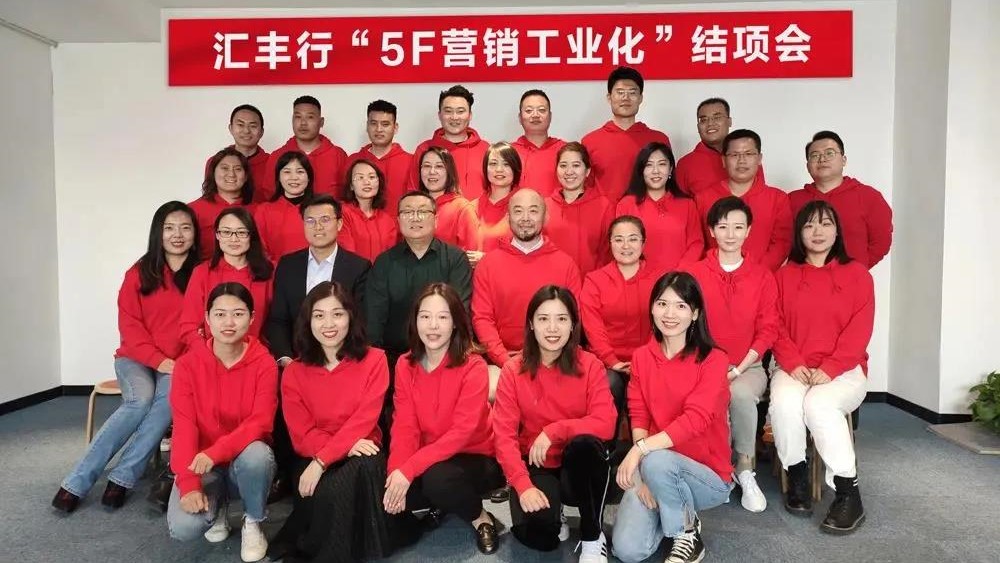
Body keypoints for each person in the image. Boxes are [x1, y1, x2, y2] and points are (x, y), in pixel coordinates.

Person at [52, 202, 200, 513]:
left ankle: (122, 478)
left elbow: (204, 325)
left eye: (185, 228)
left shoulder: (202, 274)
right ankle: (76, 482)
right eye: (169, 228)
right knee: (140, 400)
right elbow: (130, 328)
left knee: (168, 401)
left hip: (180, 362)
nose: (177, 235)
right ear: (158, 233)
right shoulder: (138, 273)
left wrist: (181, 362)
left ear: (195, 233)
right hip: (136, 358)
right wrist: (159, 361)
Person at [267, 281, 399, 562]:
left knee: (358, 471)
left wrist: (322, 462)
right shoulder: (294, 372)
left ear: (351, 317)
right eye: (319, 315)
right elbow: (301, 435)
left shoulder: (375, 360)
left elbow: (365, 420)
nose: (328, 324)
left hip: (362, 449)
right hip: (314, 451)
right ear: (308, 321)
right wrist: (335, 451)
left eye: (337, 314)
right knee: (329, 488)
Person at [612, 272, 732, 563]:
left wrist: (640, 453)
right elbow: (639, 414)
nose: (669, 314)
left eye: (680, 306)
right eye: (662, 304)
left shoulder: (714, 360)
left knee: (658, 461)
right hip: (655, 463)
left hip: (706, 476)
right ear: (652, 308)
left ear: (695, 314)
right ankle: (674, 511)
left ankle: (687, 533)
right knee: (627, 551)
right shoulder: (642, 357)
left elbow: (695, 419)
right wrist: (644, 477)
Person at [770, 200, 873, 534]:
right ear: (799, 233)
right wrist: (793, 362)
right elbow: (774, 325)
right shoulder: (784, 275)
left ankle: (848, 493)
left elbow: (859, 331)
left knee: (819, 404)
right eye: (809, 225)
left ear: (837, 231)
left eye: (826, 224)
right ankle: (797, 476)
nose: (817, 232)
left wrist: (831, 367)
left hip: (844, 370)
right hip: (795, 366)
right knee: (785, 403)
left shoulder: (857, 275)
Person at [492, 285, 616, 562]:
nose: (552, 328)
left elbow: (606, 423)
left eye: (561, 319)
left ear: (573, 325)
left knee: (585, 445)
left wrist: (554, 431)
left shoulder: (590, 365)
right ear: (531, 324)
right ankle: (554, 511)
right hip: (539, 463)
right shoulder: (513, 370)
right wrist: (522, 485)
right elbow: (504, 437)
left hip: (580, 464)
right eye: (543, 319)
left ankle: (592, 535)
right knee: (539, 537)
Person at [384, 283, 505, 555]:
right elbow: (404, 426)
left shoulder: (473, 366)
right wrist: (397, 472)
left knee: (437, 481)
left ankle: (481, 518)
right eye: (425, 316)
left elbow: (461, 434)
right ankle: (444, 502)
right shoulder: (405, 364)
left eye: (442, 317)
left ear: (455, 323)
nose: (433, 326)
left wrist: (410, 469)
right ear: (415, 321)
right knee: (394, 486)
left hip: (476, 456)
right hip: (430, 455)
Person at [166, 282, 278, 563]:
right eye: (220, 314)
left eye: (238, 314)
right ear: (207, 318)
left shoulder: (264, 363)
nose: (229, 322)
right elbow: (184, 427)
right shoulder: (187, 366)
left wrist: (216, 452)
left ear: (252, 318)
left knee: (258, 455)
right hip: (203, 464)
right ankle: (219, 509)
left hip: (242, 462)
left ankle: (253, 520)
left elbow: (260, 422)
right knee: (184, 527)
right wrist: (189, 484)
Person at [685, 196, 779, 513]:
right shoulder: (694, 273)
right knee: (708, 397)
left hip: (748, 366)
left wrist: (738, 369)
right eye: (723, 227)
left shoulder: (762, 276)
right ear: (712, 230)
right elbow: (685, 323)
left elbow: (768, 330)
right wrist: (710, 367)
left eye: (738, 227)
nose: (730, 234)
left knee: (738, 394)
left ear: (748, 231)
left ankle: (745, 469)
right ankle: (717, 469)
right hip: (702, 365)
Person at [472, 189, 583, 399]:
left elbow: (574, 319)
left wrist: (549, 360)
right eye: (518, 211)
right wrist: (504, 360)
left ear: (545, 216)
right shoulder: (488, 265)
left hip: (554, 358)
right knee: (490, 389)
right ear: (508, 217)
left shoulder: (566, 264)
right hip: (503, 360)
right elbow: (482, 319)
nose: (525, 218)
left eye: (533, 211)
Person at [366, 191, 473, 367]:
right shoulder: (384, 262)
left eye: (422, 211)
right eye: (408, 212)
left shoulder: (455, 259)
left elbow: (460, 313)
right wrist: (376, 363)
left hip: (445, 359)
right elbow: (374, 320)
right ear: (398, 221)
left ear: (436, 220)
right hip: (394, 360)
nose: (415, 218)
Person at [267, 194, 370, 369]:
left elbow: (360, 321)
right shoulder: (288, 265)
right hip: (296, 362)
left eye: (325, 220)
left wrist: (342, 363)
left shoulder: (359, 267)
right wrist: (286, 359)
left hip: (343, 362)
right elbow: (278, 319)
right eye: (310, 221)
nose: (318, 227)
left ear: (339, 224)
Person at [579, 216, 657, 422]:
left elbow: (662, 327)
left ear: (643, 243)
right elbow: (593, 328)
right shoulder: (595, 280)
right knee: (609, 384)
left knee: (651, 389)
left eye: (633, 239)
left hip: (650, 360)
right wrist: (612, 361)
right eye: (619, 239)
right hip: (607, 363)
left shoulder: (659, 280)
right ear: (610, 243)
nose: (626, 246)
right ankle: (606, 440)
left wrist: (643, 361)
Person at [789, 130, 893, 269]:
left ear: (843, 160)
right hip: (802, 279)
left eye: (829, 153)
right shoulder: (792, 200)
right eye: (815, 155)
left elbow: (881, 242)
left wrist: (857, 270)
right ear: (808, 166)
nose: (822, 159)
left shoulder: (869, 196)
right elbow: (784, 242)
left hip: (852, 279)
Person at [694, 129, 792, 272]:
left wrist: (756, 273)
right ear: (723, 160)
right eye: (734, 155)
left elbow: (781, 244)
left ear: (759, 159)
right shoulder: (703, 198)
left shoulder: (778, 199)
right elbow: (698, 243)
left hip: (761, 278)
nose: (741, 161)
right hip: (713, 277)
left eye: (748, 154)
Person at [180, 208, 273, 349]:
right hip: (211, 353)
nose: (234, 239)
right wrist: (204, 352)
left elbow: (279, 321)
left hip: (257, 354)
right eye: (226, 232)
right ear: (217, 235)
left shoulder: (271, 271)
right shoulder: (202, 272)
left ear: (251, 235)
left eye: (241, 232)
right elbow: (189, 326)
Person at [582, 66, 671, 202]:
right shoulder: (590, 142)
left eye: (632, 92)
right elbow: (585, 189)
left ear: (640, 98)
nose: (626, 98)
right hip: (604, 215)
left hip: (648, 214)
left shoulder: (659, 140)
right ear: (609, 97)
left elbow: (668, 187)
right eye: (620, 92)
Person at [616, 142, 703, 277]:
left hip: (678, 280)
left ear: (670, 169)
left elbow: (696, 244)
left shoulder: (687, 204)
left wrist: (678, 275)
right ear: (641, 170)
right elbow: (621, 245)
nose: (655, 171)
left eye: (662, 164)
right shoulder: (626, 204)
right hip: (638, 279)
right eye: (649, 165)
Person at [544, 142, 615, 275]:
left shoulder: (604, 206)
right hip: (551, 283)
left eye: (576, 165)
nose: (569, 172)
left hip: (591, 283)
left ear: (587, 171)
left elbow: (608, 253)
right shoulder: (544, 206)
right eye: (563, 165)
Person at [410, 85, 490, 201]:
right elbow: (413, 193)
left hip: (478, 213)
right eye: (448, 111)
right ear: (439, 115)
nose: (454, 117)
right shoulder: (424, 149)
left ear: (470, 115)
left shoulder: (486, 149)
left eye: (460, 111)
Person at [674, 98, 764, 196]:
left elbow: (761, 195)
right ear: (698, 126)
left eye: (717, 117)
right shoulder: (686, 164)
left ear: (729, 121)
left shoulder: (748, 157)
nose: (710, 123)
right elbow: (681, 204)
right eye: (703, 120)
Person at [264, 95, 349, 197]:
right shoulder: (277, 156)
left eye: (310, 117)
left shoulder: (338, 156)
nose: (303, 123)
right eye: (298, 117)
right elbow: (269, 195)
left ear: (321, 122)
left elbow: (348, 195)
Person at [347, 100, 413, 215]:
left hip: (400, 226)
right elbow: (346, 200)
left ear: (395, 127)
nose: (378, 129)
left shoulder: (411, 161)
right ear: (367, 126)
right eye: (373, 123)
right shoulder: (352, 161)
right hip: (359, 225)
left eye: (385, 124)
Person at [190, 147, 256, 260]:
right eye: (225, 168)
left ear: (246, 176)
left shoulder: (260, 210)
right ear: (213, 173)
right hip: (205, 270)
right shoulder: (194, 210)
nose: (231, 174)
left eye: (238, 169)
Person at [417, 146, 480, 253]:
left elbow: (470, 254)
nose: (432, 171)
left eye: (439, 166)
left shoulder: (462, 208)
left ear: (449, 171)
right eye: (427, 166)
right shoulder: (413, 205)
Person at [253, 151, 313, 262]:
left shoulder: (322, 208)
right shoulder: (264, 211)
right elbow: (260, 251)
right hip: (276, 271)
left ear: (309, 177)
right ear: (279, 177)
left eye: (300, 172)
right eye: (287, 172)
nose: (294, 177)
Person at [205, 104, 270, 202]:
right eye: (240, 125)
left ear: (261, 132)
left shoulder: (273, 163)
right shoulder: (215, 162)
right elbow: (209, 198)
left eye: (253, 126)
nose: (246, 131)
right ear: (230, 128)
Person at [338, 159, 400, 262]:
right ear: (351, 185)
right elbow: (347, 254)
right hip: (352, 270)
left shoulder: (387, 220)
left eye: (371, 177)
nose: (366, 182)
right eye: (360, 177)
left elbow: (391, 258)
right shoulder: (341, 212)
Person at [511, 89, 565, 196]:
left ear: (550, 116)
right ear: (520, 118)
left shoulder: (565, 150)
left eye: (541, 110)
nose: (535, 115)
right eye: (529, 111)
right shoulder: (509, 153)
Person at [472, 142, 520, 258]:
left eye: (506, 164)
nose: (499, 169)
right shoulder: (471, 207)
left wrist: (487, 259)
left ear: (515, 169)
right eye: (493, 164)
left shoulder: (523, 207)